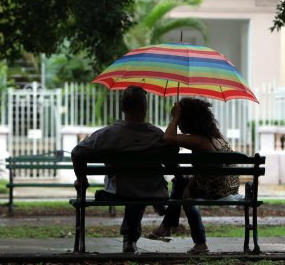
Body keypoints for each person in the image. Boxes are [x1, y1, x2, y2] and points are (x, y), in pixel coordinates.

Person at [71, 86, 176, 253]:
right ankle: (130, 237)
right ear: (144, 108)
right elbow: (172, 162)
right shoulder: (156, 135)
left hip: (118, 190)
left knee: (131, 186)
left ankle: (129, 238)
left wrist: (81, 179)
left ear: (122, 108)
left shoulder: (107, 134)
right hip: (152, 190)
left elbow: (77, 152)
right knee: (139, 186)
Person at [148, 97, 240, 254]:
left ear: (189, 119)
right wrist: (189, 186)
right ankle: (167, 227)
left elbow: (168, 138)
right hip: (226, 186)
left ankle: (192, 239)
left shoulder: (200, 140)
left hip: (215, 189)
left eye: (182, 118)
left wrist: (175, 117)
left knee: (183, 192)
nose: (180, 122)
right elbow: (205, 170)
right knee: (181, 184)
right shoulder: (215, 136)